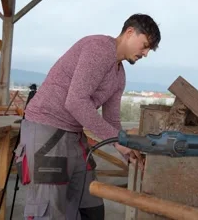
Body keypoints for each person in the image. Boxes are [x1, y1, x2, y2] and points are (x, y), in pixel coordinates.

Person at [14, 14, 161, 219]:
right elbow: (75, 102)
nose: (145, 53)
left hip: (74, 133)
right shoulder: (99, 48)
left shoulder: (120, 75)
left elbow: (112, 122)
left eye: (149, 50)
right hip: (46, 128)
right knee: (48, 210)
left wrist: (128, 151)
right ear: (129, 33)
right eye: (145, 45)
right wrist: (119, 141)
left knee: (90, 208)